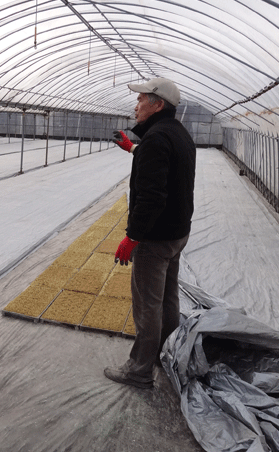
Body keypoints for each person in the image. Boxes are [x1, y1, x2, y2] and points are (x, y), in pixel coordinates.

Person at [104, 77, 196, 388]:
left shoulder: (157, 139)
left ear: (157, 105)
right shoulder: (178, 133)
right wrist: (134, 149)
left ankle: (139, 370)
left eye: (142, 99)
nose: (136, 104)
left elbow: (152, 196)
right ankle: (165, 353)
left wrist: (133, 236)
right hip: (177, 233)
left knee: (147, 305)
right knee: (168, 299)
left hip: (155, 238)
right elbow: (163, 166)